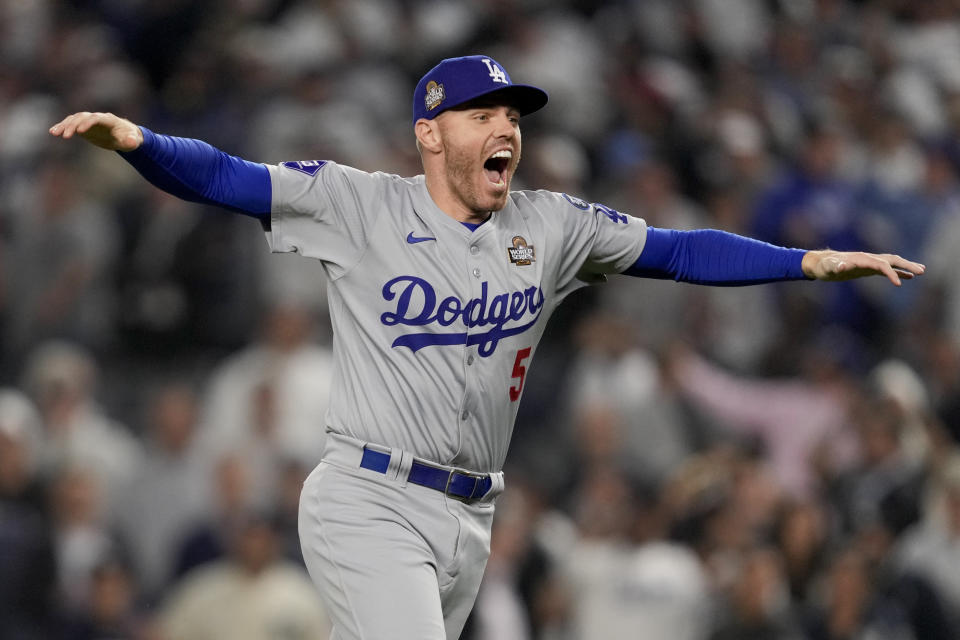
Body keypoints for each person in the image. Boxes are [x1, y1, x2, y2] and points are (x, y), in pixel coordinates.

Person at [50, 54, 924, 640]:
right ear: (430, 133)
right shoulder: (359, 205)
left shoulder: (552, 226)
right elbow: (224, 177)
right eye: (483, 114)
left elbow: (681, 251)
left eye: (513, 114)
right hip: (369, 497)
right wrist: (135, 143)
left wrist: (807, 262)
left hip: (471, 517)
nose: (505, 127)